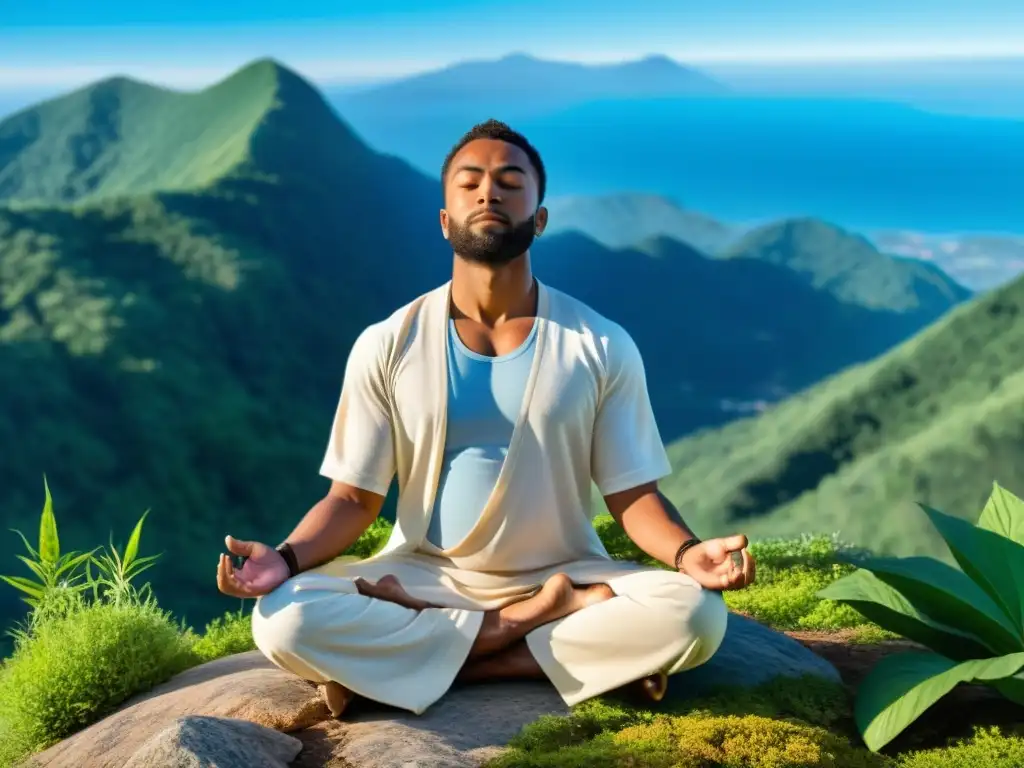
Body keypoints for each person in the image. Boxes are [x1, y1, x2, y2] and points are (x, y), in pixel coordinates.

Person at [216, 119, 756, 719]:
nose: (488, 194)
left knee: (694, 615)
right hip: (422, 574)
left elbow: (634, 496)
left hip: (565, 570)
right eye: (469, 183)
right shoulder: (387, 344)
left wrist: (687, 555)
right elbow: (352, 499)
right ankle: (534, 633)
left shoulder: (600, 344)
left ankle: (428, 658)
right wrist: (285, 560)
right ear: (445, 220)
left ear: (540, 217)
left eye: (509, 182)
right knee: (283, 620)